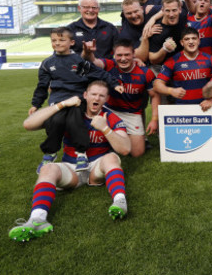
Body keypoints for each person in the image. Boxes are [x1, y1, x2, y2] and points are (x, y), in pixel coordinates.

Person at [11, 81, 131, 243]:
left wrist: (106, 129)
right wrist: (61, 105)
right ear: (85, 95)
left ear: (107, 99)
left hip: (97, 168)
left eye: (101, 95)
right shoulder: (70, 113)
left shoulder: (110, 117)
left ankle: (119, 202)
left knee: (112, 157)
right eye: (93, 94)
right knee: (48, 169)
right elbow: (28, 124)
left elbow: (125, 149)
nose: (97, 98)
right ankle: (37, 219)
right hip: (72, 168)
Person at [30, 27, 123, 173]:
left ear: (71, 42)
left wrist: (115, 83)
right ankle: (50, 153)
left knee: (74, 119)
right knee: (56, 121)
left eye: (62, 40)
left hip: (77, 99)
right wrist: (36, 104)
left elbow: (97, 72)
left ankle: (81, 153)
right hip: (58, 100)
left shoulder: (77, 61)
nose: (57, 43)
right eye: (54, 40)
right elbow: (42, 86)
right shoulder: (48, 63)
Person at [84, 39, 160, 158]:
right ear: (114, 55)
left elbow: (155, 96)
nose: (123, 59)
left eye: (127, 55)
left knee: (137, 153)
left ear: (133, 54)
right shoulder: (109, 65)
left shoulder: (145, 73)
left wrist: (154, 119)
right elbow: (94, 61)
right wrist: (88, 52)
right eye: (119, 55)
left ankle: (117, 140)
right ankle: (107, 142)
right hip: (109, 110)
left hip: (132, 114)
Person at [154, 27, 212, 110]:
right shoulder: (172, 61)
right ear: (182, 43)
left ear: (199, 41)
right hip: (182, 111)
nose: (191, 42)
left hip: (205, 109)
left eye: (194, 38)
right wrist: (171, 91)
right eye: (187, 39)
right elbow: (157, 84)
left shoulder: (211, 60)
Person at [148, 0, 189, 66]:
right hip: (164, 67)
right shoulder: (157, 29)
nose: (171, 15)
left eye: (174, 10)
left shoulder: (183, 15)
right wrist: (164, 49)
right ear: (162, 10)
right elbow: (152, 59)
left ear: (180, 10)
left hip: (184, 63)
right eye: (167, 10)